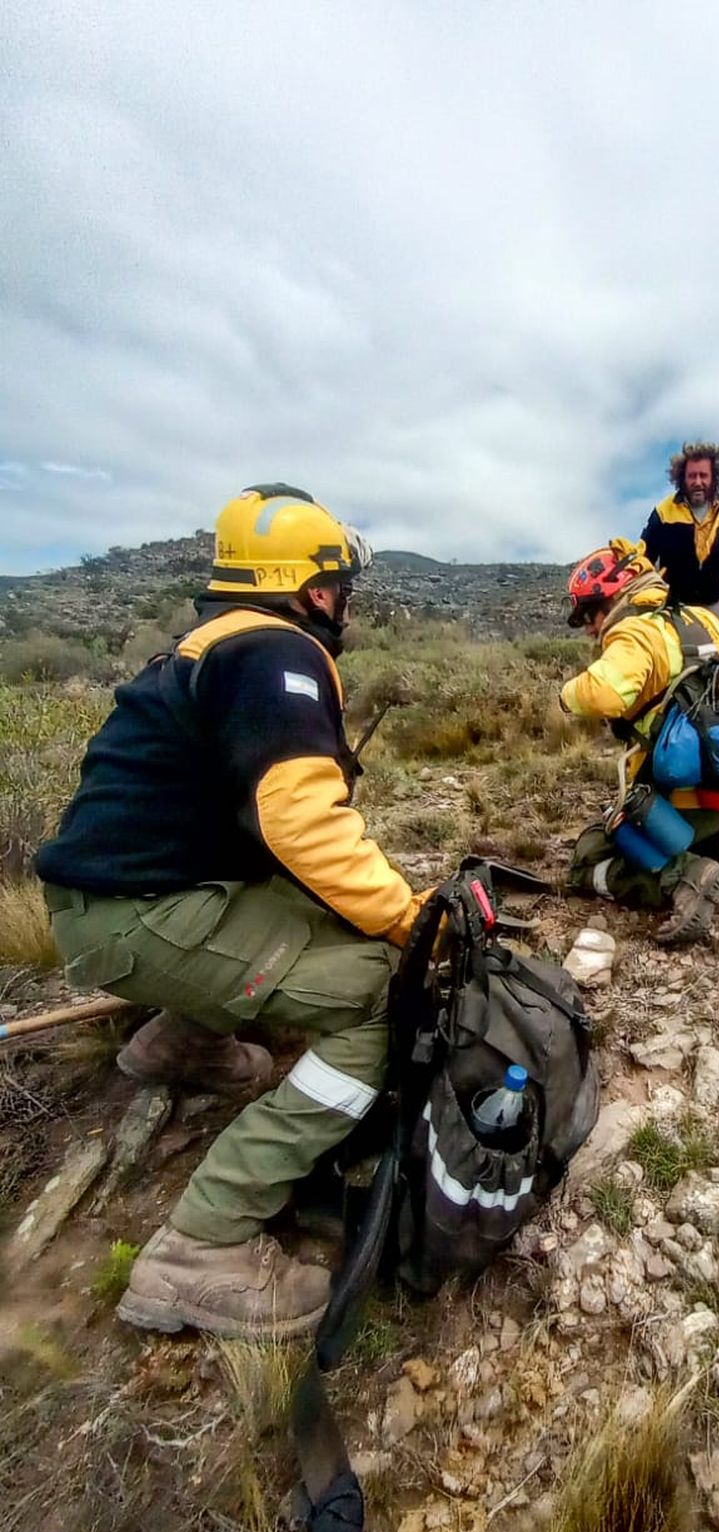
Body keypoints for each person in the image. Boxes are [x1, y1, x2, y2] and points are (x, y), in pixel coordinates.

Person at [36, 484, 432, 1341]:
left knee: (300, 913)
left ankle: (184, 1040)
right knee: (369, 994)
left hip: (111, 904)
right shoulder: (276, 652)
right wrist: (407, 920)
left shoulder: (200, 645)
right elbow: (298, 820)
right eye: (339, 584)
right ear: (314, 588)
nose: (344, 602)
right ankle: (203, 1242)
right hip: (141, 919)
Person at [559, 541, 719, 944]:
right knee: (682, 816)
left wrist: (567, 696)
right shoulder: (702, 618)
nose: (588, 627)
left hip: (677, 804)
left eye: (589, 612)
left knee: (587, 856)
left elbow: (604, 695)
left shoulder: (633, 632)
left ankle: (684, 878)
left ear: (616, 595)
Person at [639, 441, 719, 622]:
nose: (697, 482)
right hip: (672, 604)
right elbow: (644, 554)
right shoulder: (664, 511)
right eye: (692, 476)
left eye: (703, 476)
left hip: (714, 603)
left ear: (714, 477)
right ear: (682, 478)